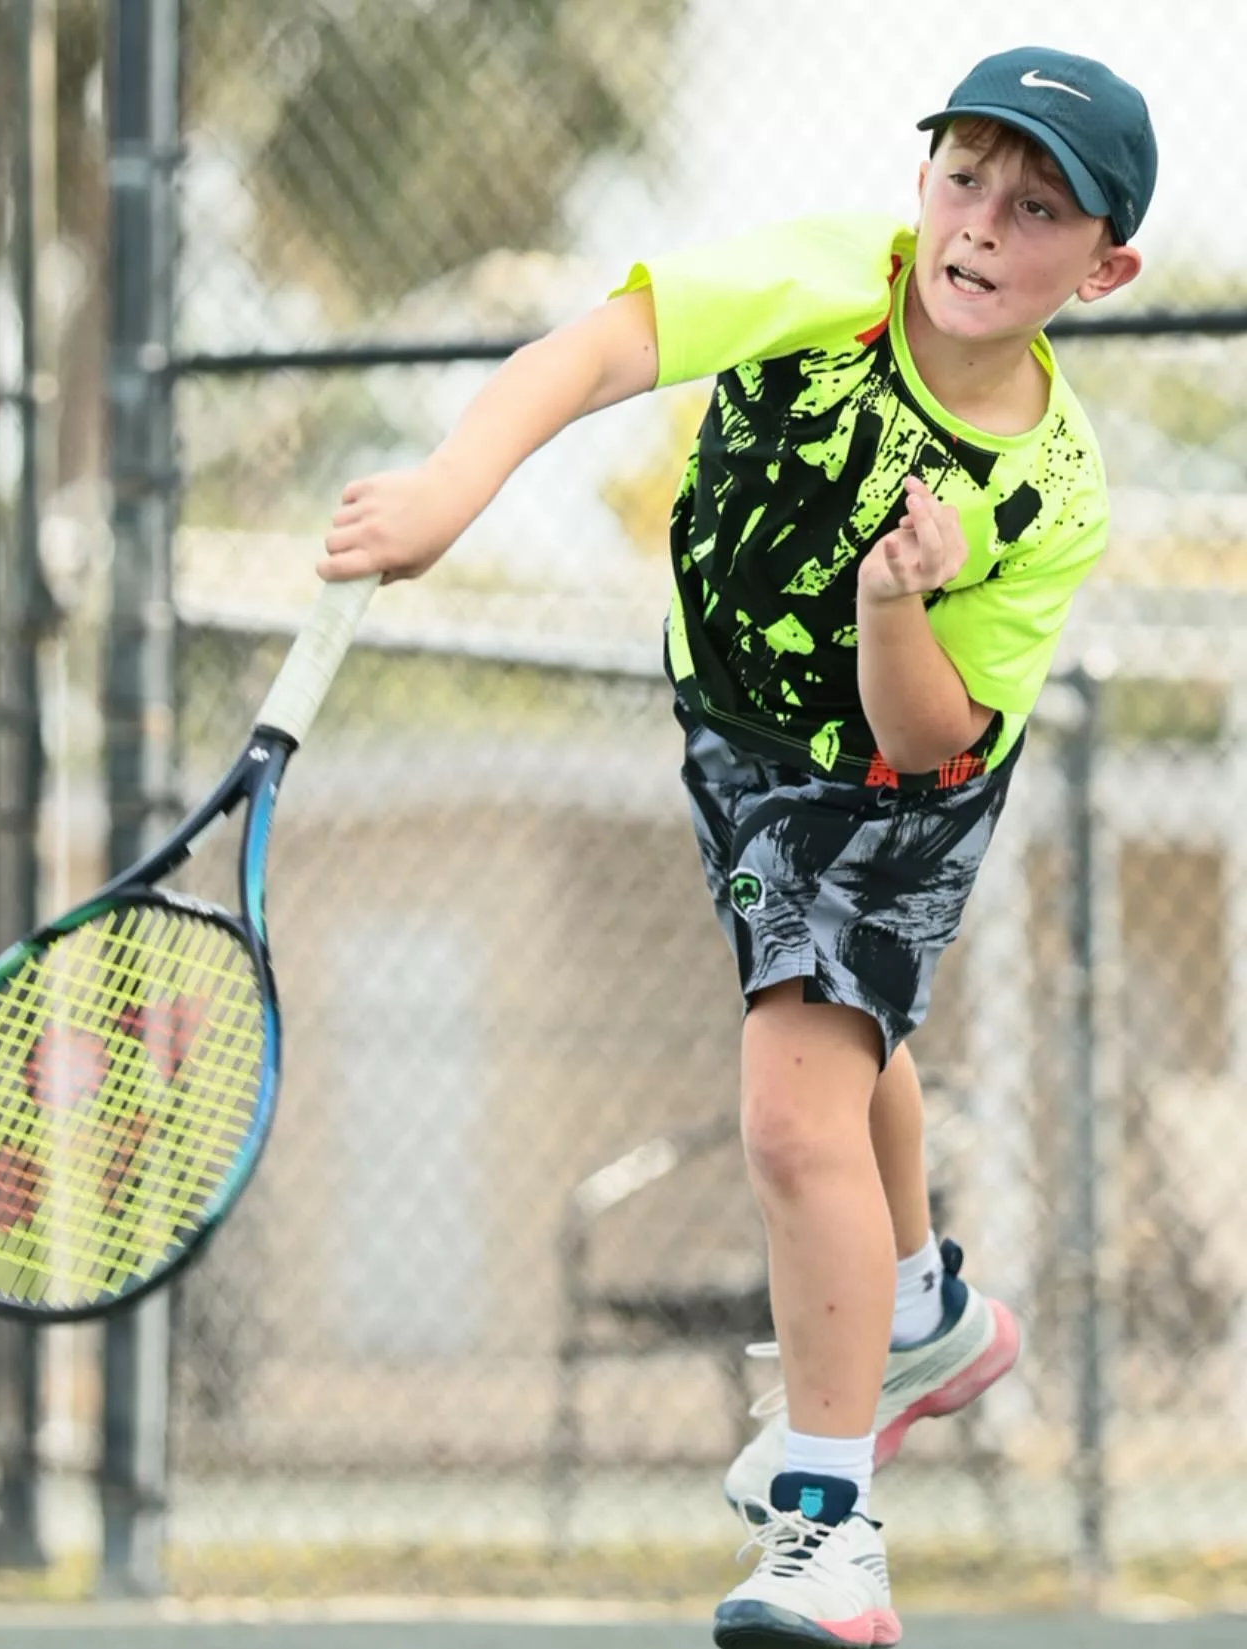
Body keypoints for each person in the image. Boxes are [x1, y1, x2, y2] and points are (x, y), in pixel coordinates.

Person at [320, 43, 1157, 1649]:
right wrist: (446, 492)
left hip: (898, 777)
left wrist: (896, 599)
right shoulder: (830, 282)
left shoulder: (1046, 494)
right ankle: (925, 1315)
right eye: (966, 179)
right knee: (844, 1041)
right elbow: (589, 355)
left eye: (1039, 206)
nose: (985, 223)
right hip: (734, 728)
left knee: (790, 1120)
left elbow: (924, 737)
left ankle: (832, 1531)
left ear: (1105, 268)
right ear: (923, 189)